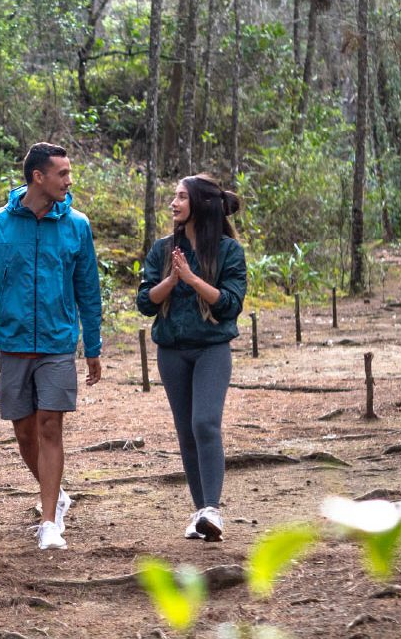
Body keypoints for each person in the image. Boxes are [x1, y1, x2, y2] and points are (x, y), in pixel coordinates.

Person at [0, 142, 103, 551]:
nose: (69, 181)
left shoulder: (77, 224)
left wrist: (92, 346)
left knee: (49, 426)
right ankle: (55, 493)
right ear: (37, 177)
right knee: (24, 433)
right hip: (13, 343)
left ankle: (49, 524)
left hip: (59, 343)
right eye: (62, 173)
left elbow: (88, 290)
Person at [136, 174, 247, 542]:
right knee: (186, 432)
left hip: (211, 348)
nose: (174, 203)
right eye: (174, 196)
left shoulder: (229, 252)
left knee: (205, 424)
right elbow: (144, 303)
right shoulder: (164, 249)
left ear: (199, 203)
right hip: (172, 351)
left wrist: (193, 279)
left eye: (181, 197)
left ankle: (213, 508)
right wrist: (172, 280)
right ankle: (201, 514)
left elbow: (230, 304)